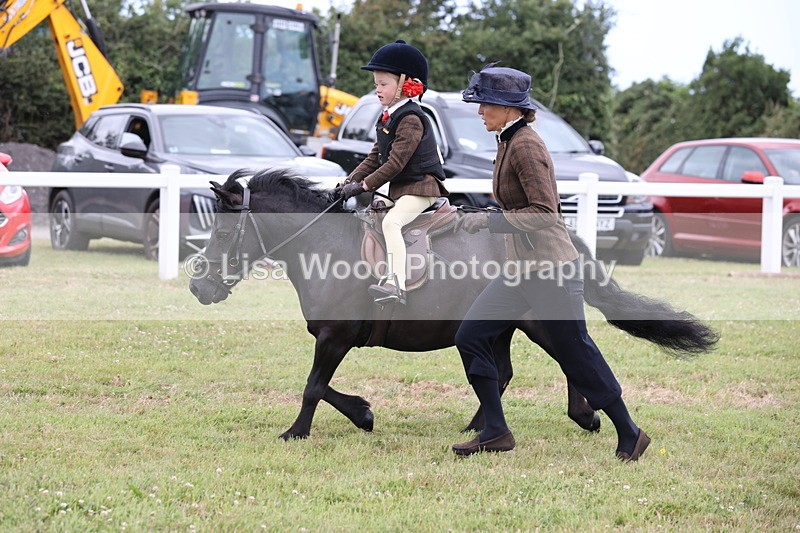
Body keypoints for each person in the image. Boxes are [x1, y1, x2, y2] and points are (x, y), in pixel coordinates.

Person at [451, 63, 650, 461]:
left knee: (576, 352)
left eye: (485, 105)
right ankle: (495, 430)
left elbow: (544, 212)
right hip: (521, 271)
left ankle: (630, 432)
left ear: (509, 109)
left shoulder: (525, 144)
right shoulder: (508, 139)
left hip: (552, 270)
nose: (479, 112)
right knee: (470, 335)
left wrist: (489, 221)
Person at [339, 40, 448, 305]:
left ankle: (396, 283)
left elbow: (395, 164)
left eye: (383, 84)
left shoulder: (411, 119)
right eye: (376, 84)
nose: (377, 89)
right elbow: (375, 157)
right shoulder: (388, 117)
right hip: (402, 190)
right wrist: (348, 181)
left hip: (421, 189)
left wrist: (364, 186)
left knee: (392, 222)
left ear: (405, 85)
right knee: (371, 215)